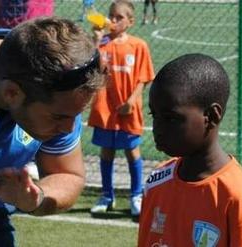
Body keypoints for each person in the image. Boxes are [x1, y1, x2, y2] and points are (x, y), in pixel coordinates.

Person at [0, 17, 103, 246]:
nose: (68, 128)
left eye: (75, 114)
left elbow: (67, 174)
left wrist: (35, 198)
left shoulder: (59, 92)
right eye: (59, 117)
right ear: (11, 93)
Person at [138, 53, 242, 247]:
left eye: (171, 118)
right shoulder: (156, 182)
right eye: (154, 115)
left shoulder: (240, 199)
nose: (157, 128)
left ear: (211, 116)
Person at [88, 0, 155, 217]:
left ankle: (136, 195)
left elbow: (144, 78)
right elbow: (91, 70)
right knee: (106, 151)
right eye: (111, 16)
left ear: (130, 22)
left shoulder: (138, 45)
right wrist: (96, 42)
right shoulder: (103, 43)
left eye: (119, 18)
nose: (113, 21)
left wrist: (132, 102)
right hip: (105, 109)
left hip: (127, 109)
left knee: (131, 151)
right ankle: (107, 195)